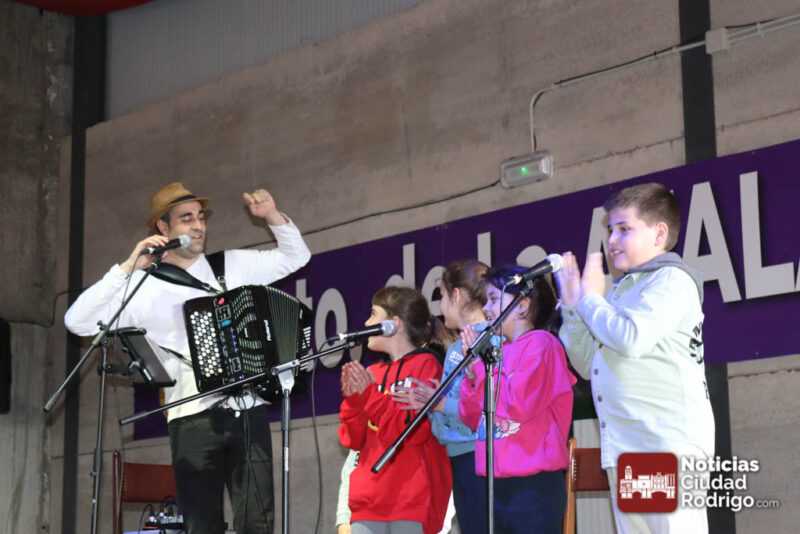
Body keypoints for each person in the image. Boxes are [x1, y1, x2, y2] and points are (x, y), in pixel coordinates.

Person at [64, 182, 311, 534]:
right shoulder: (140, 288)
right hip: (190, 416)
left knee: (258, 522)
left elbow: (296, 256)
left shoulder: (229, 265)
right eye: (186, 219)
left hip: (247, 409)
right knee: (201, 525)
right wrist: (128, 267)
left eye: (200, 217)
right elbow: (77, 321)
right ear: (163, 228)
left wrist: (271, 215)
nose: (198, 226)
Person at [555, 182, 714, 534]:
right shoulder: (623, 290)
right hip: (629, 445)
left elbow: (631, 338)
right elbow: (588, 364)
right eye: (611, 230)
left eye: (624, 229)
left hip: (664, 443)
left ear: (659, 234)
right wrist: (573, 306)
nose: (612, 240)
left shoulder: (672, 280)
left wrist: (590, 299)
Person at [459, 266, 575, 534]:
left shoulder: (542, 345)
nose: (486, 308)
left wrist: (481, 370)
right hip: (493, 484)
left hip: (533, 487)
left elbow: (520, 404)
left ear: (522, 306)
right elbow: (472, 418)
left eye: (493, 299)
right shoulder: (497, 353)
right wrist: (473, 375)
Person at [338, 286, 452, 534]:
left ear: (394, 324)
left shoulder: (426, 365)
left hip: (410, 501)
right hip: (367, 502)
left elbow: (409, 433)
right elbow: (352, 439)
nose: (366, 323)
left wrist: (369, 394)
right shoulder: (372, 373)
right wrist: (353, 400)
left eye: (373, 314)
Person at [392, 259, 490, 534]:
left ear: (456, 295)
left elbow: (487, 408)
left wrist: (437, 402)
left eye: (443, 296)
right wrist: (429, 404)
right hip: (459, 455)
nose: (441, 306)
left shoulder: (488, 341)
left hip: (477, 454)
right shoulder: (457, 347)